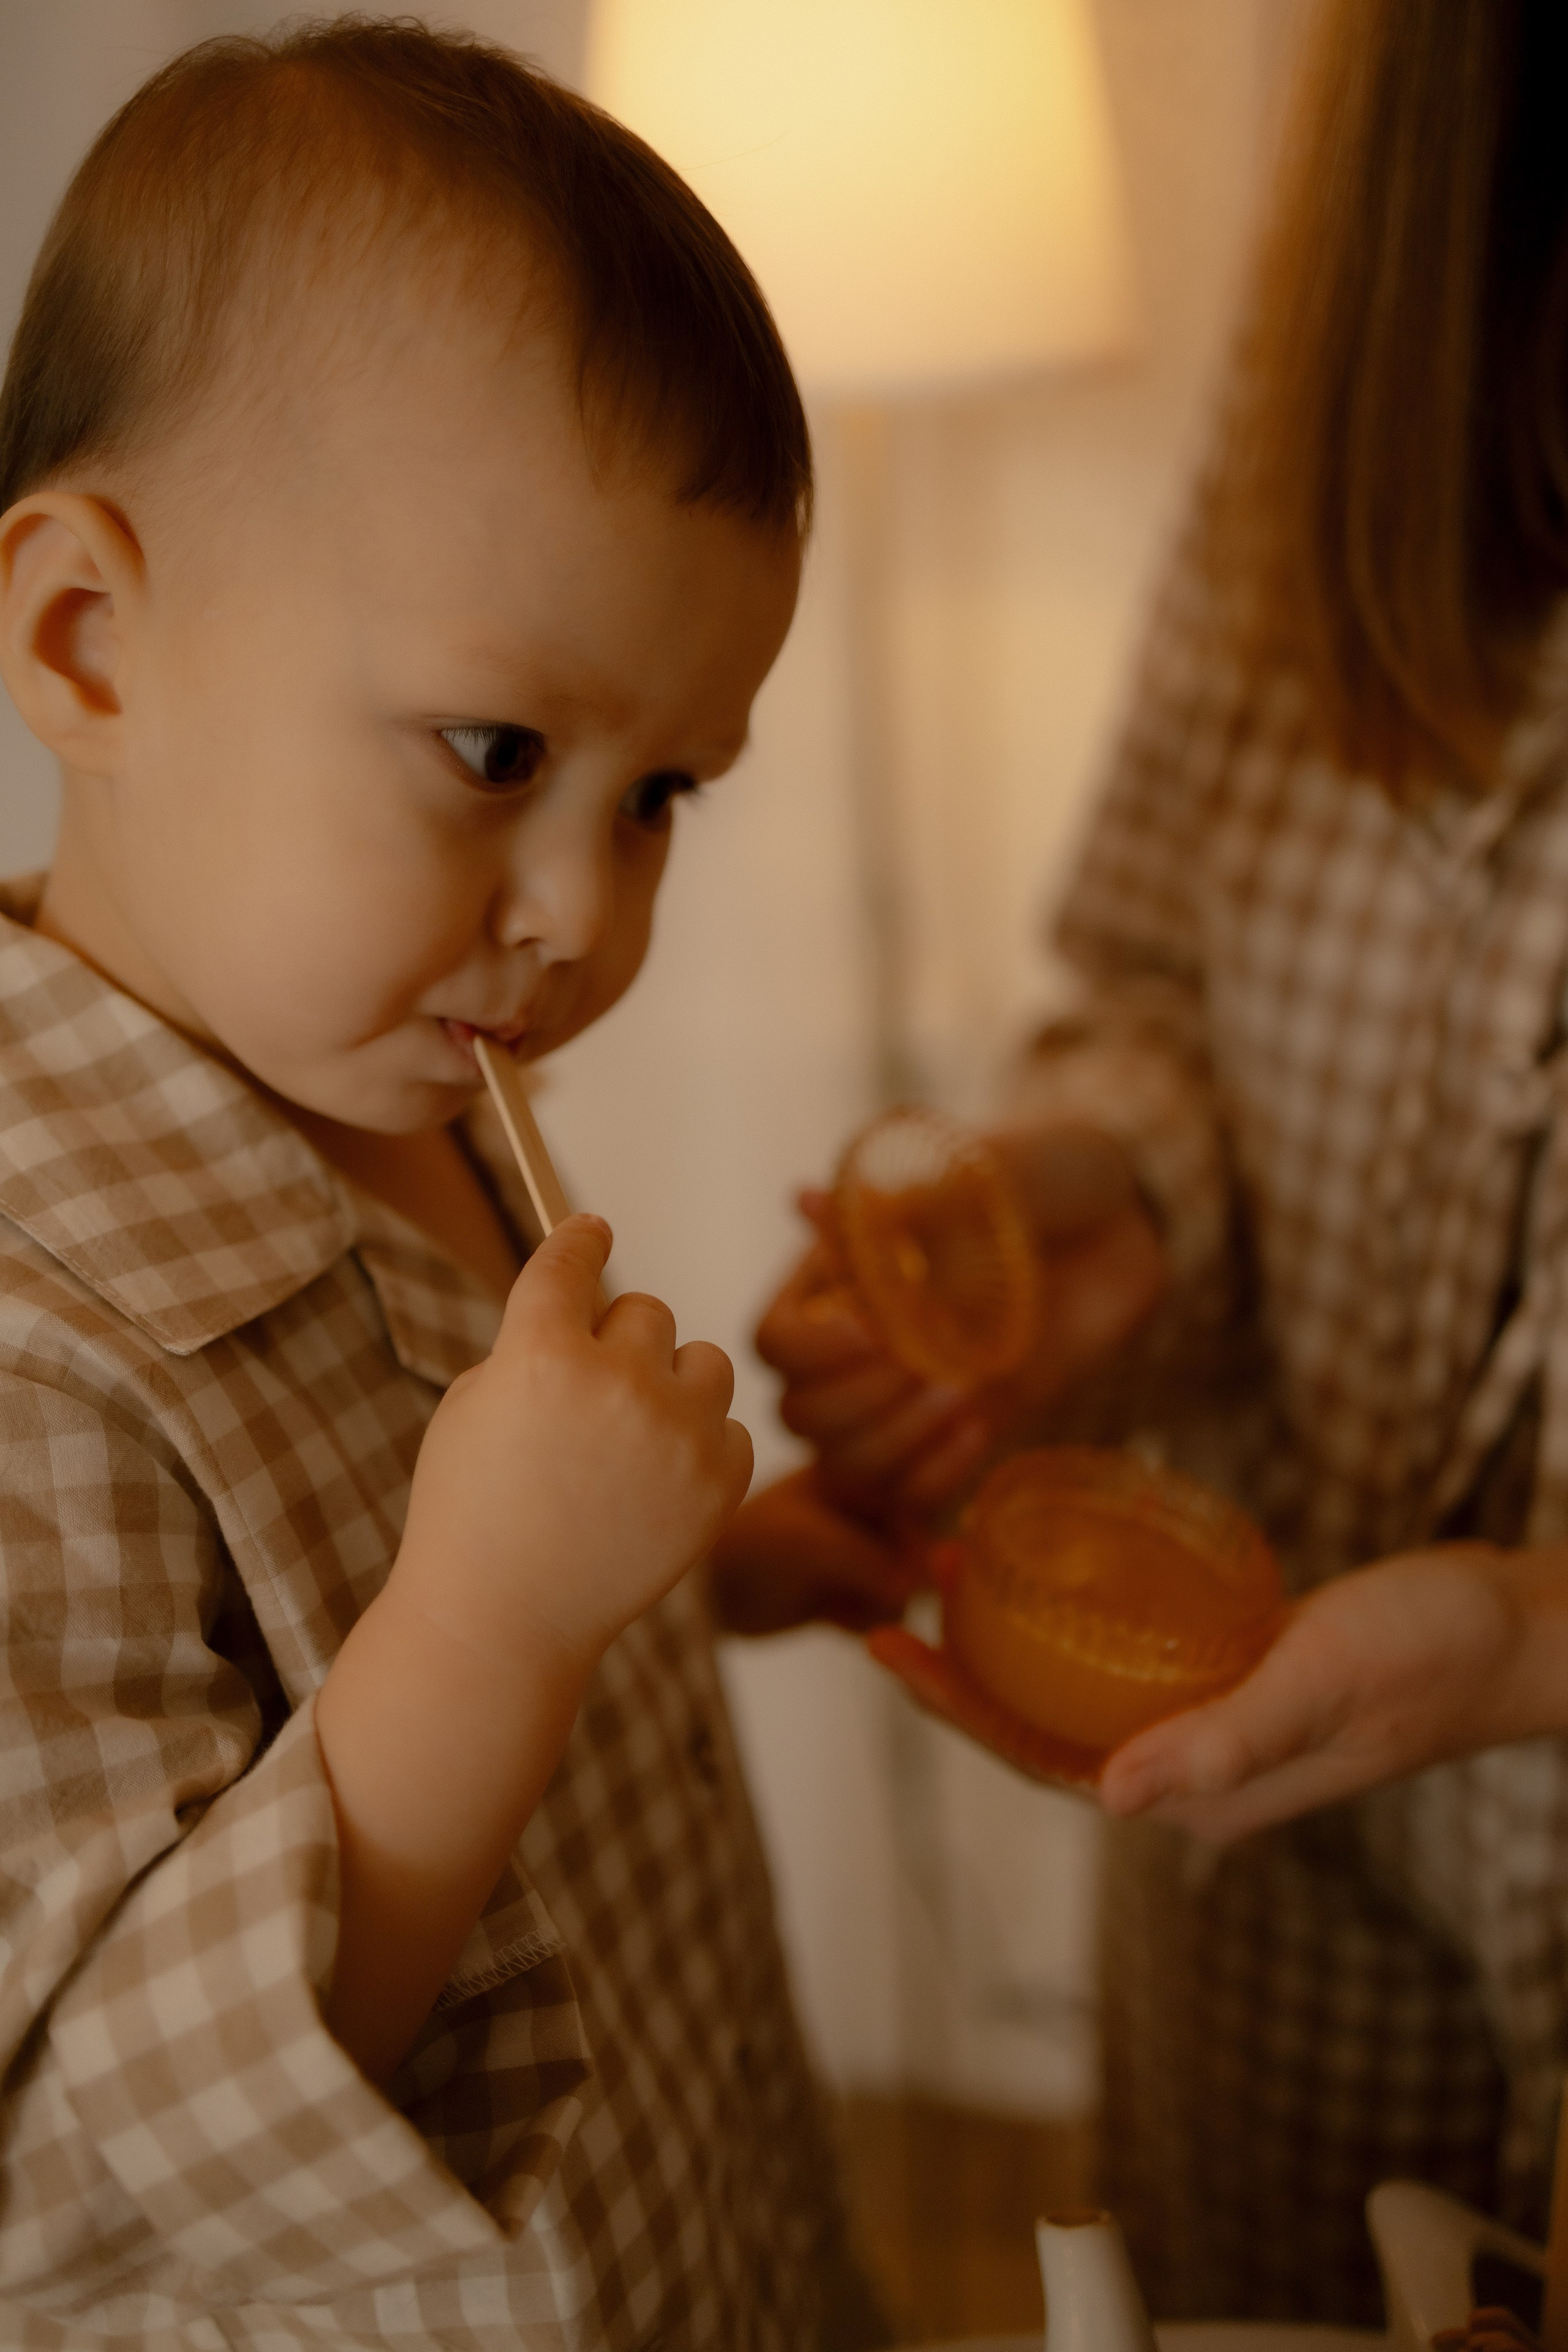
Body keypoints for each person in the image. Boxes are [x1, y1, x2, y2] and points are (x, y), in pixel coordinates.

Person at [0, 21, 895, 2348]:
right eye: (496, 751)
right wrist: (496, 1619)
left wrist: (708, 1572)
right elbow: (78, 2169)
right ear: (86, 639)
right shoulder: (32, 1329)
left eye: (664, 791)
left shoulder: (410, 1077)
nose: (587, 907)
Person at [749, 0, 1568, 2325]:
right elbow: (1162, 987)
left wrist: (1529, 1632)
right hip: (1270, 1918)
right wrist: (1103, 1206)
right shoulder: (1358, 368)